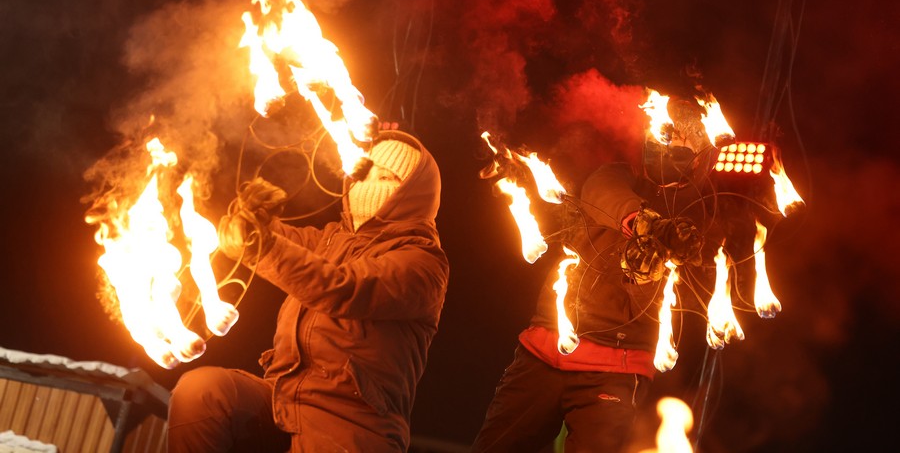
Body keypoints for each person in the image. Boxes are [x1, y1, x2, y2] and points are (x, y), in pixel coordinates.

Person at [167, 130, 449, 452]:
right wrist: (250, 224)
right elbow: (283, 242)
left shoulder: (422, 263)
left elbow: (341, 287)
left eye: (386, 176)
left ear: (413, 194)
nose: (370, 184)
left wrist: (265, 245)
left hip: (352, 424)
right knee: (203, 392)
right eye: (364, 172)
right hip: (283, 397)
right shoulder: (329, 239)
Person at [472, 100, 716, 452]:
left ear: (699, 152)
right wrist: (644, 223)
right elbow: (601, 193)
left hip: (613, 370)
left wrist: (646, 277)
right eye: (663, 134)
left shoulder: (699, 222)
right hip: (544, 349)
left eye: (681, 140)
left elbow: (669, 313)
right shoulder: (616, 176)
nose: (666, 145)